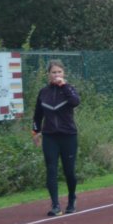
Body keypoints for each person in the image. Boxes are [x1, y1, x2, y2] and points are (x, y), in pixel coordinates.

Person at [32, 60, 81, 216]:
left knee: (69, 171)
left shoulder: (69, 89)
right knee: (51, 169)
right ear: (48, 74)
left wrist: (64, 86)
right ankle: (55, 205)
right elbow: (37, 115)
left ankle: (72, 199)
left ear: (63, 73)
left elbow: (75, 102)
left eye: (59, 72)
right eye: (54, 72)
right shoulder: (43, 92)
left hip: (68, 135)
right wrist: (35, 132)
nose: (56, 75)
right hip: (50, 136)